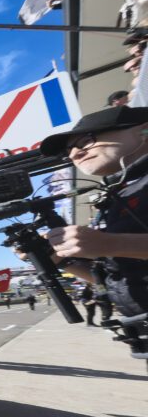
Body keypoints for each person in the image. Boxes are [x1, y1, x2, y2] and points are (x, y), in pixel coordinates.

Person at [36, 106, 148, 319]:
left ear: (144, 131)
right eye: (68, 151)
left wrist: (110, 244)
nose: (75, 154)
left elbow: (114, 246)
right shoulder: (117, 195)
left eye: (86, 140)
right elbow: (111, 279)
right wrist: (62, 257)